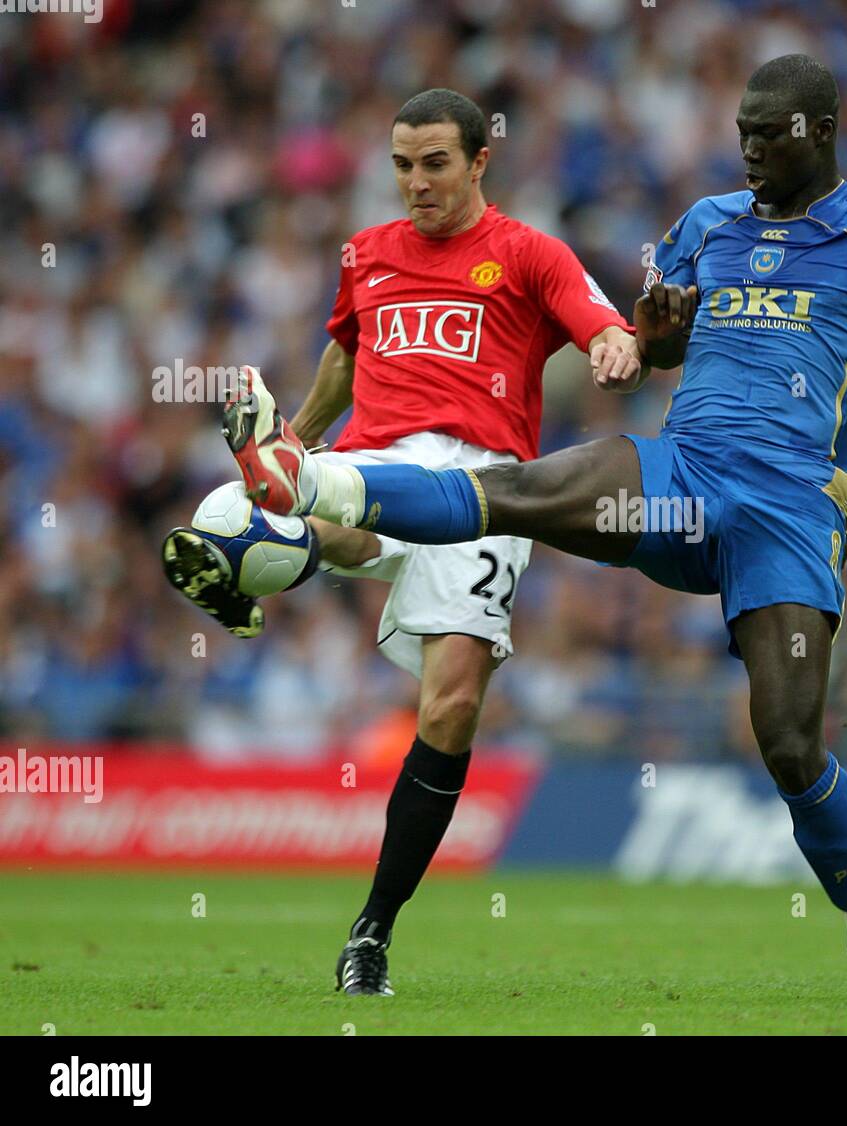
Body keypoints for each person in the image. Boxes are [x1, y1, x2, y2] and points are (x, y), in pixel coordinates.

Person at [220, 56, 847, 1001]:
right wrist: (658, 324)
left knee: (790, 744)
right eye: (743, 134)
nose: (752, 150)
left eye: (772, 134)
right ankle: (319, 488)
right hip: (684, 473)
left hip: (793, 507)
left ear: (822, 132)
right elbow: (658, 348)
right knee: (517, 488)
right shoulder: (704, 226)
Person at [163, 88, 643, 996]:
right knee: (337, 508)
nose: (415, 183)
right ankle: (281, 513)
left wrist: (617, 347)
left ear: (478, 163)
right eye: (400, 165)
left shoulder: (528, 253)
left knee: (451, 709)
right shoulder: (366, 255)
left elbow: (600, 322)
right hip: (376, 459)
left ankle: (371, 931)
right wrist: (301, 429)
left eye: (434, 164)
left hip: (486, 490)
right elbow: (345, 355)